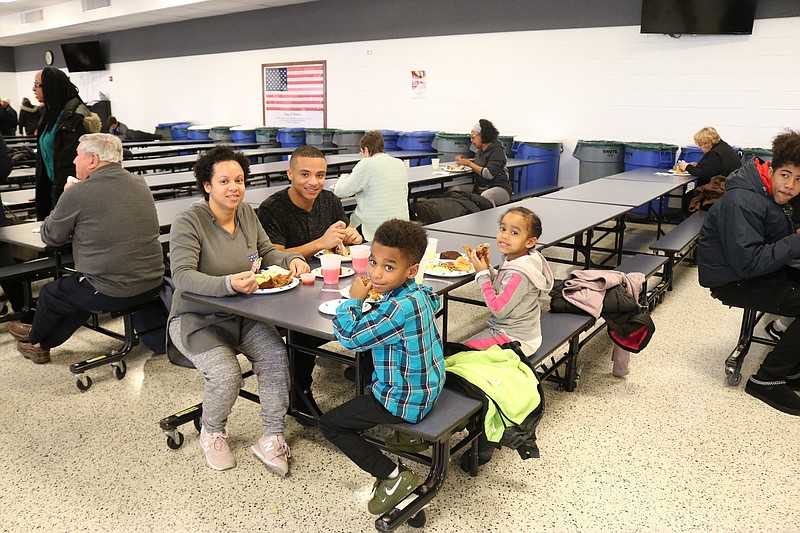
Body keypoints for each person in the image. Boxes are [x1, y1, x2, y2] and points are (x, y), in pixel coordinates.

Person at [168, 145, 310, 475]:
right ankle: (212, 431)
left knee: (276, 357)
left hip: (244, 312)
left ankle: (272, 437)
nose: (234, 188)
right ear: (207, 185)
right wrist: (229, 284)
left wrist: (292, 260)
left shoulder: (246, 213)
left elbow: (267, 253)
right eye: (224, 181)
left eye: (240, 180)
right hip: (196, 317)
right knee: (226, 373)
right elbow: (183, 277)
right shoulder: (189, 222)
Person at [318, 219, 445, 516]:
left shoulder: (397, 308)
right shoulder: (419, 294)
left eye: (388, 267)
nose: (375, 273)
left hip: (406, 399)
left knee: (331, 425)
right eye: (373, 262)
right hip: (430, 386)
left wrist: (354, 301)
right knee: (365, 368)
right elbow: (433, 302)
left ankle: (392, 476)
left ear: (410, 270)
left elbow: (350, 338)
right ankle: (408, 436)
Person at [7, 134, 164, 364]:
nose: (74, 161)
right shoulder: (139, 183)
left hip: (115, 289)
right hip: (152, 282)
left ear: (92, 160)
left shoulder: (78, 192)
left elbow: (50, 236)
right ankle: (39, 341)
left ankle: (35, 338)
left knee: (53, 293)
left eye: (78, 155)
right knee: (78, 296)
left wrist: (66, 193)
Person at [697, 129, 800, 416]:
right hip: (735, 280)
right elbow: (749, 263)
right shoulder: (742, 201)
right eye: (786, 175)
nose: (791, 186)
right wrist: (795, 241)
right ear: (771, 168)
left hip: (759, 272)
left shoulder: (764, 192)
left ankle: (791, 368)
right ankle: (767, 379)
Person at [257, 144, 362, 417]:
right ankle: (299, 393)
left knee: (372, 307)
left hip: (327, 282)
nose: (313, 182)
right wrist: (321, 242)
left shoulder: (330, 201)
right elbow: (273, 256)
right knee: (303, 331)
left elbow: (342, 235)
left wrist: (351, 237)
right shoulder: (272, 209)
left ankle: (371, 370)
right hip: (288, 291)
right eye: (305, 174)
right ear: (289, 174)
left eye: (320, 175)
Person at [457, 206, 553, 469]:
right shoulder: (526, 259)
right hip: (523, 332)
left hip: (512, 338)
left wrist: (480, 275)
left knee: (456, 357)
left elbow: (497, 306)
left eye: (514, 232)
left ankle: (485, 436)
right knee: (460, 356)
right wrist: (488, 269)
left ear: (530, 241)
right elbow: (504, 290)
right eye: (502, 229)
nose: (505, 236)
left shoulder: (518, 272)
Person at [33, 67, 92, 220]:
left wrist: (62, 193)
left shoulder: (75, 117)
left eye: (37, 84)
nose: (34, 89)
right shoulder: (48, 115)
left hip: (69, 191)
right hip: (52, 190)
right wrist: (42, 191)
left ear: (51, 87)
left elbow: (72, 163)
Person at [332, 130, 409, 241]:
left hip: (375, 230)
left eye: (361, 153)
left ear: (366, 150)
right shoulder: (399, 163)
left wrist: (343, 177)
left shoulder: (366, 163)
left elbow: (340, 192)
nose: (362, 156)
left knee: (341, 222)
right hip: (402, 226)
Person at [454, 119, 512, 207]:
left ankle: (490, 219)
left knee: (486, 197)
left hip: (500, 188)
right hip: (480, 187)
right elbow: (481, 162)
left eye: (473, 137)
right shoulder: (481, 150)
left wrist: (469, 164)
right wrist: (465, 161)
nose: (471, 140)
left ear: (482, 135)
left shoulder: (497, 151)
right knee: (455, 189)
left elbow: (489, 174)